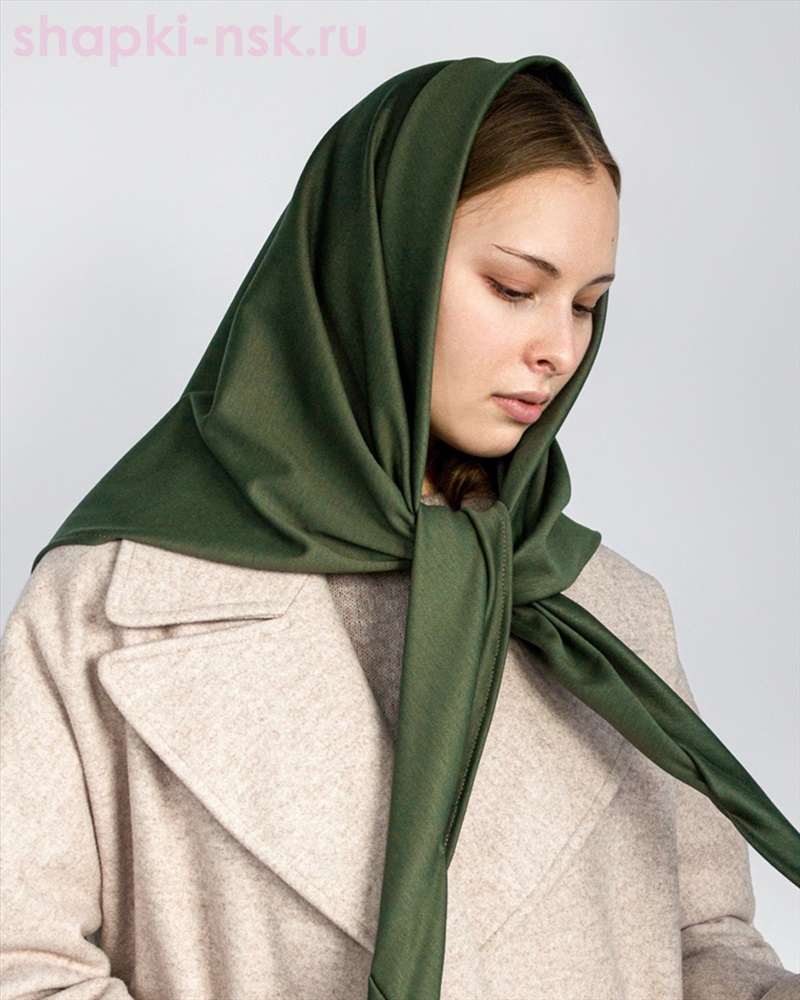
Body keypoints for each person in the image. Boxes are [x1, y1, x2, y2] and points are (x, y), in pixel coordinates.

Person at [1, 55, 798, 1000]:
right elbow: (23, 964)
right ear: (378, 266)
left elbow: (704, 944)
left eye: (587, 305)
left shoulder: (606, 615)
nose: (560, 348)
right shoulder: (106, 606)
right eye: (514, 288)